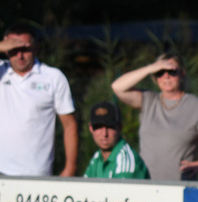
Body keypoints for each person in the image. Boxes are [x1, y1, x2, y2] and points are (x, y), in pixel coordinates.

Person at [111, 53, 198, 181]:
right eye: (160, 72)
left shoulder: (197, 106)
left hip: (181, 189)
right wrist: (150, 68)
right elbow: (118, 87)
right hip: (145, 186)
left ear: (181, 73)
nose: (166, 76)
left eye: (171, 71)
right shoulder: (148, 100)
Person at [0, 24, 78, 176]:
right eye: (13, 50)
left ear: (36, 48)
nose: (20, 55)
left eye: (25, 49)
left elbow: (70, 125)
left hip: (36, 175)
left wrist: (70, 168)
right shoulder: (1, 71)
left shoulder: (53, 77)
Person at [82, 101, 149, 179]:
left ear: (120, 128)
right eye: (98, 127)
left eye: (110, 127)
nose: (104, 134)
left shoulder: (125, 162)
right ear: (91, 128)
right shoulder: (97, 157)